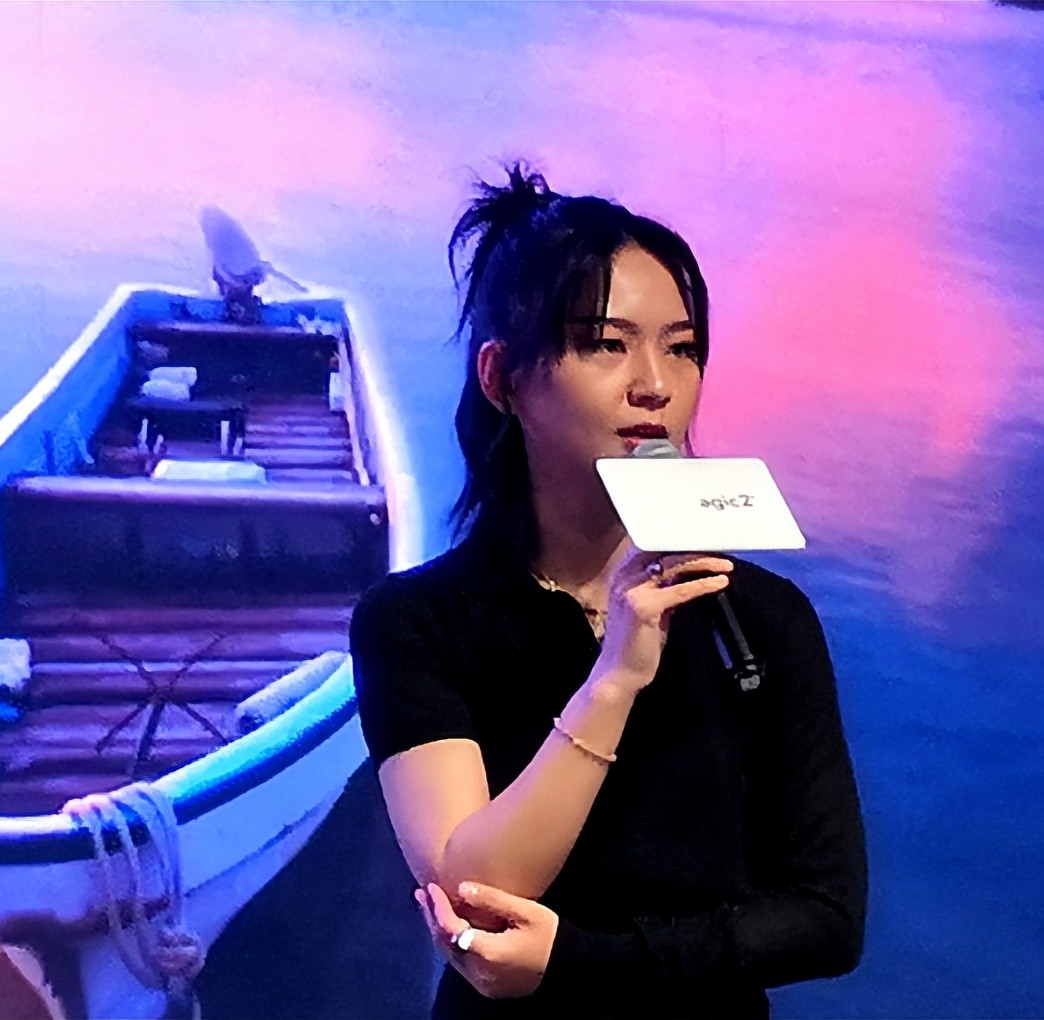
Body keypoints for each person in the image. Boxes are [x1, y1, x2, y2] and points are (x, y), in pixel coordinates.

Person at [348, 164, 867, 1019]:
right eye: (606, 343)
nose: (655, 383)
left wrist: (580, 962)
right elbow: (477, 890)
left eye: (682, 347)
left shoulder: (760, 621)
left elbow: (827, 919)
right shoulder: (417, 622)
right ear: (503, 380)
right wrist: (614, 681)